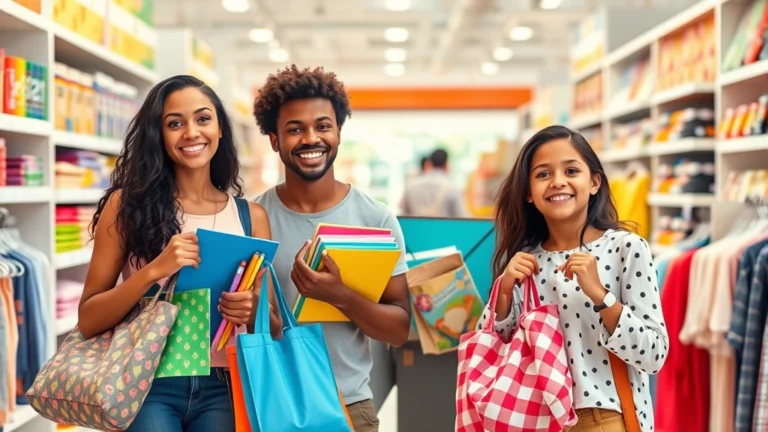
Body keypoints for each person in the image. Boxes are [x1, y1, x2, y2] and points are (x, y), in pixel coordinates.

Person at [78, 75, 282, 431]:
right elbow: (89, 318)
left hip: (226, 383)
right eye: (175, 123)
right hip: (146, 383)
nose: (191, 132)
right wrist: (153, 271)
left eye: (203, 119)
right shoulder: (125, 206)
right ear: (159, 135)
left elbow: (273, 327)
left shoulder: (252, 217)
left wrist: (253, 310)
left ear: (220, 129)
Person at [476, 125, 669, 432]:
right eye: (543, 174)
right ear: (528, 192)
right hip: (532, 419)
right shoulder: (524, 262)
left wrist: (602, 296)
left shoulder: (625, 248)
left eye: (571, 170)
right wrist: (503, 293)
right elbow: (490, 351)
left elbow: (654, 356)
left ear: (594, 182)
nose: (558, 182)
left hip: (602, 419)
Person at [252, 65, 411, 432]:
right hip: (270, 402)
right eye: (295, 129)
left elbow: (399, 330)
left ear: (338, 132)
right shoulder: (254, 219)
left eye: (323, 126)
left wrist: (341, 296)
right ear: (274, 140)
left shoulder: (376, 219)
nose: (311, 138)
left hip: (349, 408)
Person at [401, 148, 468, 217]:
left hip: (414, 227)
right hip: (443, 227)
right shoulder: (451, 188)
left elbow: (403, 212)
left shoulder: (411, 185)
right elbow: (462, 218)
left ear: (430, 163)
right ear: (446, 165)